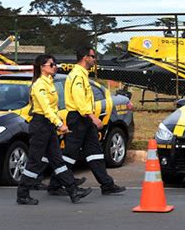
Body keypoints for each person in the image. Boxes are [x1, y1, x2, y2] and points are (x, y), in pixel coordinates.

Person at [16, 54, 92, 205]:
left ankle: (73, 191)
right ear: (42, 67)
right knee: (35, 162)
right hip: (40, 125)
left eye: (55, 64)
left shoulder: (50, 83)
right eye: (51, 64)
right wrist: (60, 125)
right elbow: (46, 110)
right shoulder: (39, 85)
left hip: (48, 126)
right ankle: (22, 194)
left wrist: (56, 124)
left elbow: (54, 109)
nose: (55, 66)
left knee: (57, 160)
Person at [51, 45, 126, 195]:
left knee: (95, 152)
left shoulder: (82, 75)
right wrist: (93, 117)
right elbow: (80, 102)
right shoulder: (77, 76)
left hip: (83, 119)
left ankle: (107, 184)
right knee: (70, 154)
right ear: (85, 57)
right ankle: (55, 184)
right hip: (79, 118)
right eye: (92, 56)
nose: (94, 59)